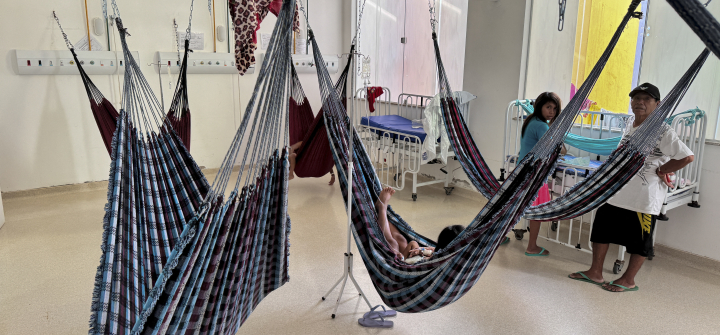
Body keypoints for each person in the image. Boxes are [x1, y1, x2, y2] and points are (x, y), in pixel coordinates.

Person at [568, 83, 694, 292]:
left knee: (639, 241)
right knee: (601, 231)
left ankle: (628, 280)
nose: (639, 103)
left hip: (642, 198)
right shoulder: (630, 123)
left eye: (646, 99)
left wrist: (663, 170)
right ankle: (595, 273)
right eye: (636, 98)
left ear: (658, 104)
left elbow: (687, 156)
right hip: (617, 191)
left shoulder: (662, 130)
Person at [514, 92, 567, 256]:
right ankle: (532, 247)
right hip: (534, 174)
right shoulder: (542, 126)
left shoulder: (531, 120)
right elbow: (559, 149)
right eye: (548, 107)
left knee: (513, 208)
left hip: (521, 170)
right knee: (536, 211)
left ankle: (499, 238)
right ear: (539, 107)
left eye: (554, 108)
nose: (551, 111)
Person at [375, 187, 466, 260]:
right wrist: (421, 251)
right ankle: (382, 215)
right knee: (401, 239)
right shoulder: (453, 253)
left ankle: (382, 208)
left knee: (392, 243)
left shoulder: (438, 260)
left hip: (403, 264)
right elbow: (436, 251)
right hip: (411, 257)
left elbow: (428, 257)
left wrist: (419, 252)